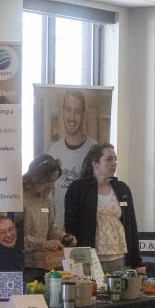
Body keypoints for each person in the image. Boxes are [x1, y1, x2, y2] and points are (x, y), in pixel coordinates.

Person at [61, 143, 141, 271]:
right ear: (95, 163)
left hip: (120, 257)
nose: (114, 163)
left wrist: (137, 262)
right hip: (89, 258)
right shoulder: (78, 188)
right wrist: (72, 262)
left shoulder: (122, 188)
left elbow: (132, 227)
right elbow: (71, 226)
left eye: (115, 159)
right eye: (109, 159)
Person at [45, 89, 95, 221]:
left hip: (86, 230)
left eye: (77, 111)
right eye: (68, 109)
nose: (72, 117)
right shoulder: (53, 152)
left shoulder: (94, 151)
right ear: (62, 111)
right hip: (58, 231)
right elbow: (48, 197)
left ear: (84, 114)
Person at [20, 156, 73, 274]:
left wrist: (64, 237)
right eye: (49, 180)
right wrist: (43, 244)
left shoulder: (47, 201)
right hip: (23, 266)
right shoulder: (19, 200)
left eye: (54, 181)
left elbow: (50, 230)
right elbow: (16, 239)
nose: (52, 185)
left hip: (45, 265)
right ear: (37, 177)